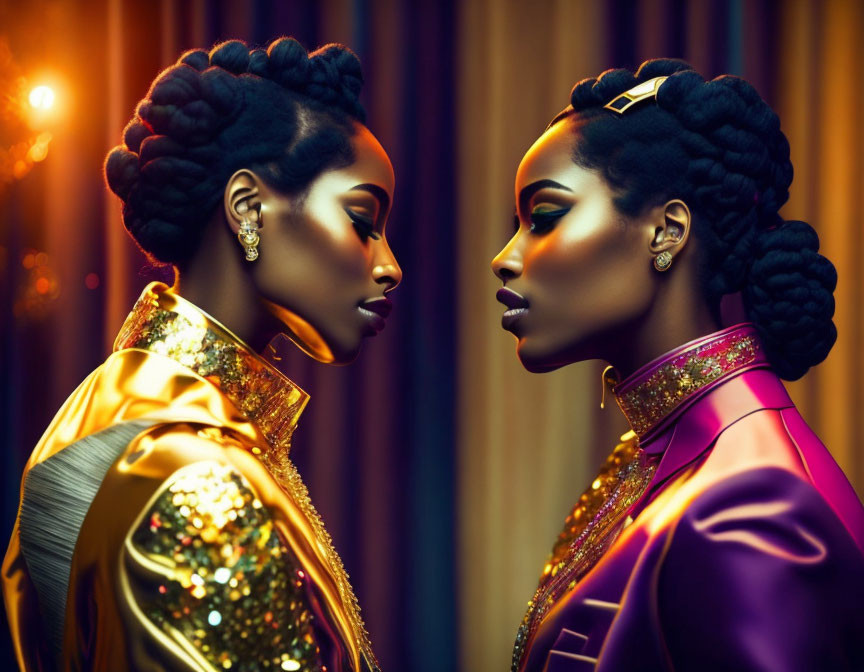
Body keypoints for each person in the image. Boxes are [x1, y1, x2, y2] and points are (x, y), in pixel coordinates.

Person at [3, 37, 400, 672]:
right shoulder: (192, 473)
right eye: (362, 220)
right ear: (248, 208)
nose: (389, 266)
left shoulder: (127, 405)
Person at [492, 58, 864, 672]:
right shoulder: (663, 455)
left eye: (545, 217)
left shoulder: (750, 504)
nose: (505, 259)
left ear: (666, 232)